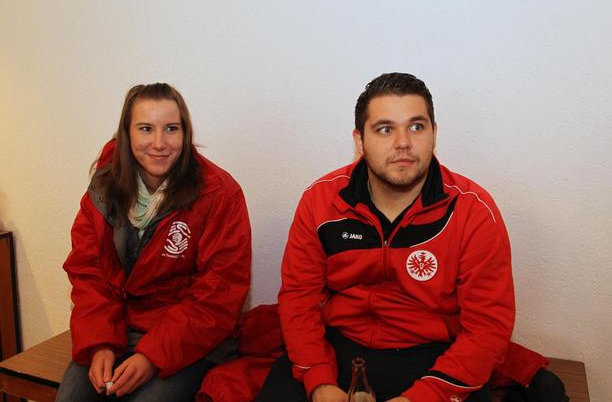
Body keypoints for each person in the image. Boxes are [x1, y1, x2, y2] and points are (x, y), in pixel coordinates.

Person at [256, 73, 514, 402]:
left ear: (434, 134)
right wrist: (319, 382)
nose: (403, 142)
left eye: (416, 126)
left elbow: (488, 327)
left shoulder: (473, 211)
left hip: (434, 357)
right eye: (385, 129)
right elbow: (299, 299)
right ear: (360, 141)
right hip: (336, 347)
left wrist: (423, 397)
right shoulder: (320, 201)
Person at [56, 83, 251, 401]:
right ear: (127, 134)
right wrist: (100, 343)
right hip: (116, 328)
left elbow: (219, 294)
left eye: (171, 129)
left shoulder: (219, 193)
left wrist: (152, 357)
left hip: (190, 339)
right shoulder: (104, 187)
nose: (159, 143)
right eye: (146, 128)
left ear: (185, 133)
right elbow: (89, 272)